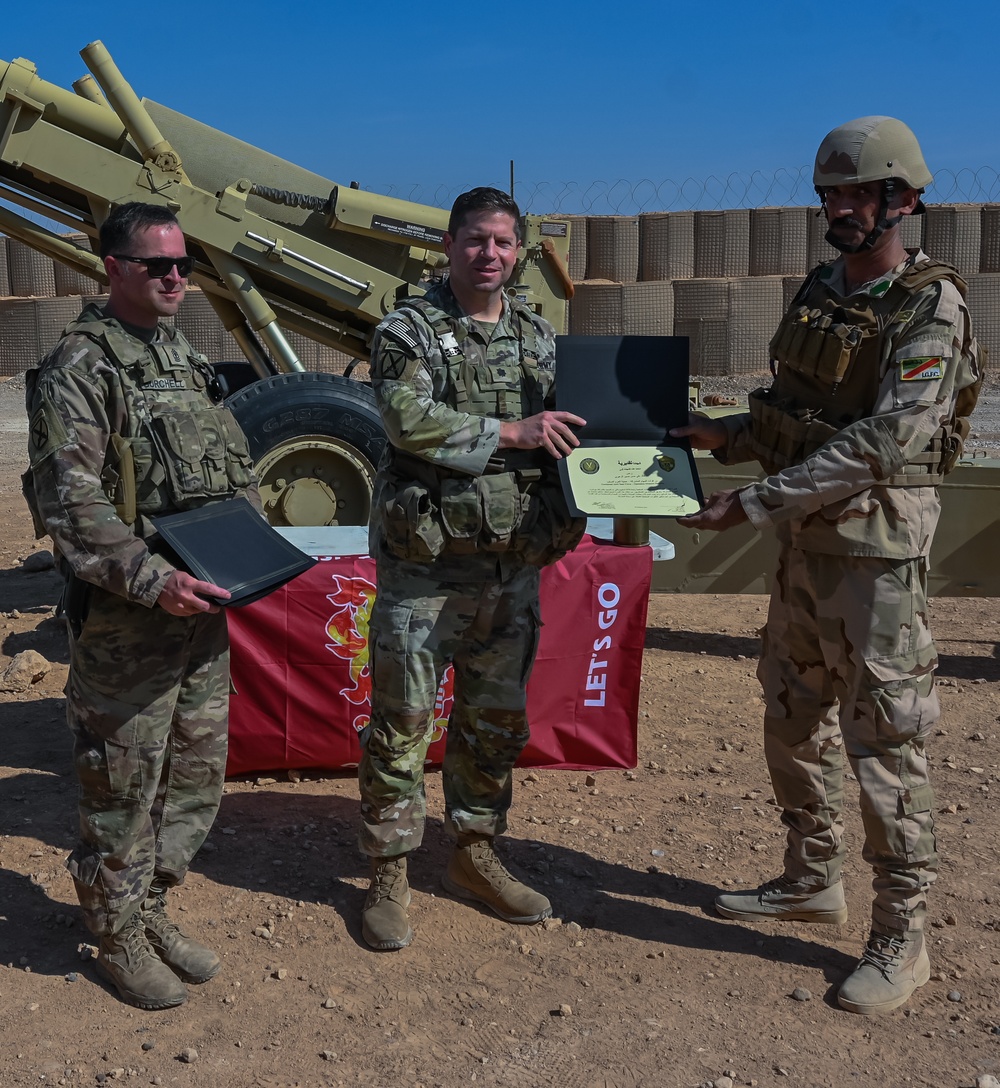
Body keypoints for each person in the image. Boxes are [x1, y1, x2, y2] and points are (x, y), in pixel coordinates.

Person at [672, 117, 982, 1015]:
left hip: (874, 557)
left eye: (857, 195)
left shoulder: (933, 306)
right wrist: (724, 434)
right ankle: (812, 878)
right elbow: (794, 411)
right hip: (807, 549)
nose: (840, 210)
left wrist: (754, 501)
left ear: (904, 199)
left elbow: (888, 439)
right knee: (790, 712)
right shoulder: (821, 288)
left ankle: (902, 935)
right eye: (830, 196)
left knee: (885, 740)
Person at [24, 202, 260, 1009]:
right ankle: (113, 928)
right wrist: (157, 580)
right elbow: (72, 505)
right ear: (111, 268)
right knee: (121, 782)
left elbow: (227, 473)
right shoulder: (79, 368)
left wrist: (251, 548)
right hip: (132, 622)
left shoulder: (181, 356)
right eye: (156, 263)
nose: (175, 277)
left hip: (201, 615)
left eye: (183, 264)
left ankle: (150, 905)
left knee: (192, 776)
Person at [358, 186, 586, 950]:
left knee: (494, 722)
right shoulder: (409, 330)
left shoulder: (538, 335)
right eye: (475, 240)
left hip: (512, 564)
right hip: (427, 569)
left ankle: (474, 851)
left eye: (502, 242)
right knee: (402, 725)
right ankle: (389, 869)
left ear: (517, 251)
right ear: (448, 246)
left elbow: (580, 420)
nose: (489, 254)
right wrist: (512, 430)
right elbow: (405, 418)